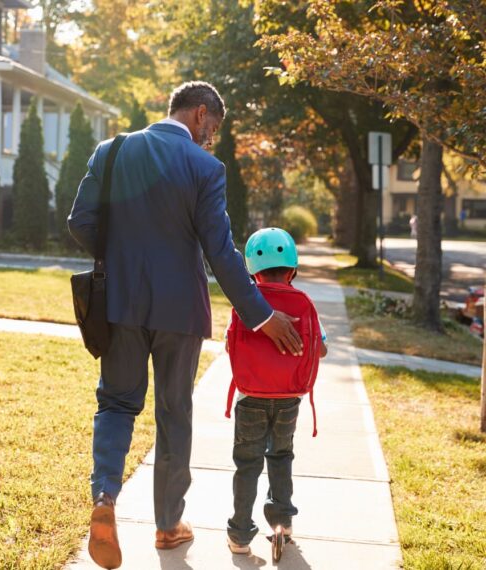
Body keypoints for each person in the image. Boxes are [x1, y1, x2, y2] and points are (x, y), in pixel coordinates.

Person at [67, 81, 303, 569]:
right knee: (174, 416)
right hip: (180, 312)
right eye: (212, 129)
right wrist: (260, 314)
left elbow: (80, 222)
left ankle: (105, 499)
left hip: (119, 304)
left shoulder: (110, 152)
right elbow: (220, 251)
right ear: (199, 115)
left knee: (115, 402)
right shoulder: (204, 168)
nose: (211, 140)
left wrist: (120, 258)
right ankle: (168, 525)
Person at [225, 228, 328, 556]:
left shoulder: (247, 303)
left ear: (252, 271)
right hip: (288, 398)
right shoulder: (303, 302)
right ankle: (282, 524)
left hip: (250, 396)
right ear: (292, 269)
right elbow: (320, 349)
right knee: (281, 456)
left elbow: (231, 344)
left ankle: (240, 536)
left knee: (247, 462)